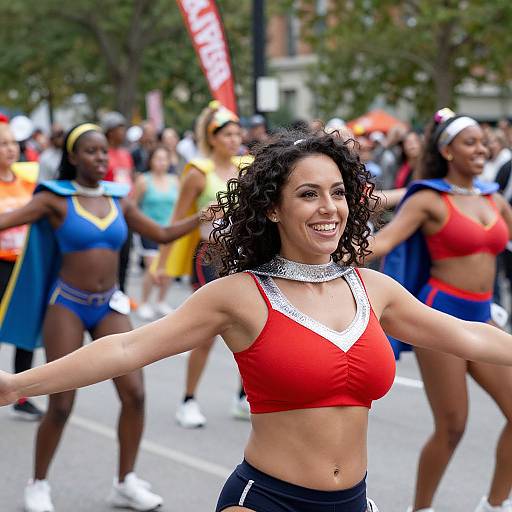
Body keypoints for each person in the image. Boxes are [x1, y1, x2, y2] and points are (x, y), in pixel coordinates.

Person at [3, 130, 512, 512]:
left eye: (337, 192)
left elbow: (471, 335)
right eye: (308, 194)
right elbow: (124, 350)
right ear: (272, 208)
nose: (328, 208)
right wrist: (15, 384)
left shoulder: (373, 290)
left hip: (356, 501)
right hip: (265, 500)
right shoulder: (240, 296)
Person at [0, 123, 200, 512]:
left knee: (136, 394)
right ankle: (38, 483)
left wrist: (201, 218)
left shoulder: (119, 199)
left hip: (109, 304)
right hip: (67, 305)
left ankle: (125, 482)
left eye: (104, 152)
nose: (100, 158)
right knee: (60, 401)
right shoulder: (55, 199)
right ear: (73, 157)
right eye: (90, 152)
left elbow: (159, 233)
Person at [366, 109, 512, 512]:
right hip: (440, 318)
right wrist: (331, 253)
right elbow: (386, 241)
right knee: (452, 427)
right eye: (470, 143)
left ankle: (495, 505)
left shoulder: (493, 198)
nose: (481, 149)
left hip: (483, 318)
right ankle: (421, 509)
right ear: (447, 150)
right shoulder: (429, 197)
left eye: (483, 142)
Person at [156, 100, 251, 428]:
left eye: (237, 133)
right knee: (207, 331)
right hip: (209, 256)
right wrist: (161, 265)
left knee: (252, 326)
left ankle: (244, 397)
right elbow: (177, 218)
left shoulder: (247, 167)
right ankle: (188, 400)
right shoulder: (198, 172)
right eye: (227, 133)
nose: (234, 138)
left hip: (245, 254)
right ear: (212, 137)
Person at [0, 123, 42, 420]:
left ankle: (21, 394)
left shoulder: (28, 182)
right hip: (0, 264)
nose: (10, 148)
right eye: (3, 144)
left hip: (24, 265)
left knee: (25, 330)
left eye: (13, 143)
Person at [133, 145, 179, 320]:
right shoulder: (144, 180)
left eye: (164, 159)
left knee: (168, 267)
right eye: (157, 159)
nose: (161, 163)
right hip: (149, 230)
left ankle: (161, 300)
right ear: (151, 161)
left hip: (170, 231)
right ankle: (144, 302)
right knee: (152, 267)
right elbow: (133, 206)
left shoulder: (175, 181)